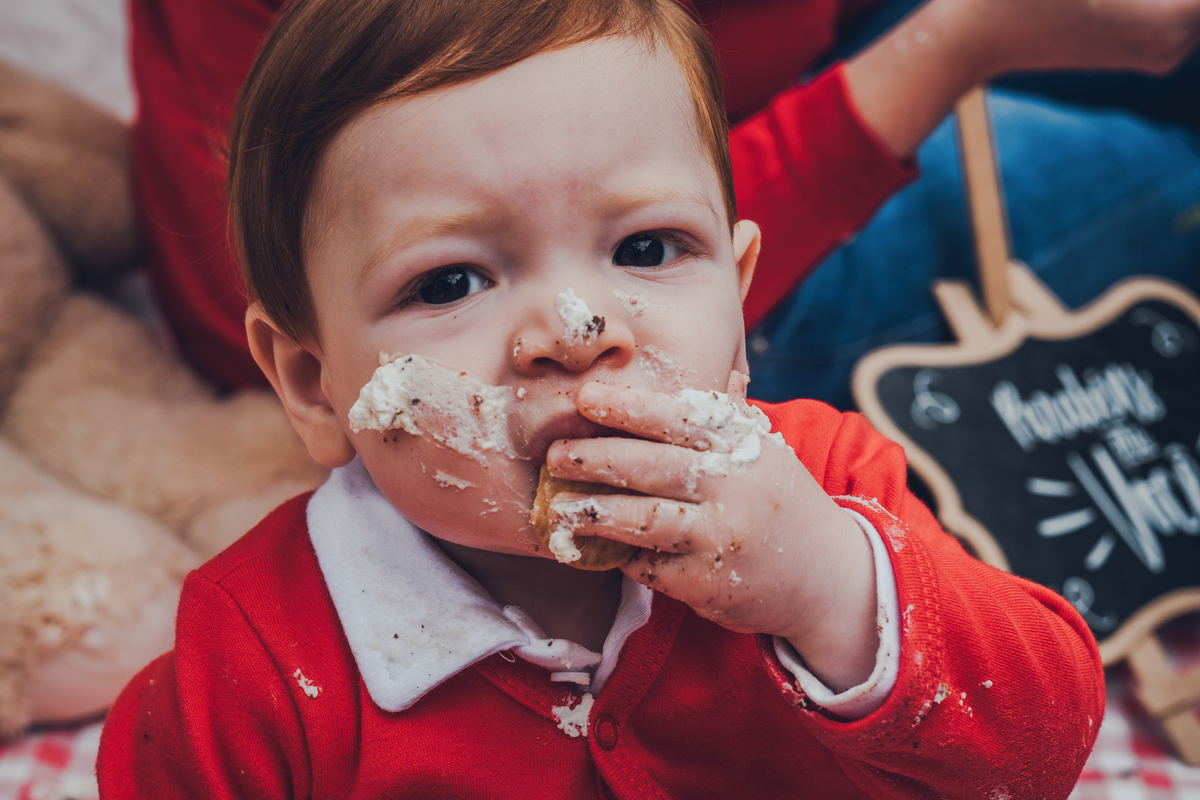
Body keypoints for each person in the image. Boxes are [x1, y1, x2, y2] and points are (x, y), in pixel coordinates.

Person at [97, 0, 1104, 796]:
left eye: (647, 249)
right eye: (450, 281)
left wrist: (832, 592)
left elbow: (1041, 753)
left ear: (743, 291)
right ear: (314, 386)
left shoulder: (833, 489)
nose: (581, 329)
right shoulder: (251, 667)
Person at [129, 0, 1200, 411]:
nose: (569, 332)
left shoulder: (838, 511)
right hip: (380, 249)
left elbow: (1002, 695)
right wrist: (963, 42)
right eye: (452, 281)